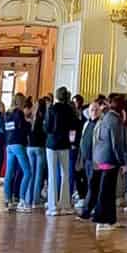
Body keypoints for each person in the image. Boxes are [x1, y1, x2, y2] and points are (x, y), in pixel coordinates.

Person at [91, 93, 127, 234]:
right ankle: (101, 220)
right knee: (106, 190)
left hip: (102, 157)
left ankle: (111, 219)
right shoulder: (114, 119)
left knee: (109, 190)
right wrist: (123, 161)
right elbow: (116, 143)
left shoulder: (108, 117)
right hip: (109, 159)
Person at [45, 86, 79, 216]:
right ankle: (65, 204)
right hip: (65, 144)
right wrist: (71, 142)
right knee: (65, 174)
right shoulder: (70, 110)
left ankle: (53, 206)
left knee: (53, 174)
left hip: (52, 144)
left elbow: (47, 128)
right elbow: (73, 129)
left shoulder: (52, 109)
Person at [2, 93, 32, 212]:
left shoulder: (7, 113)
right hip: (18, 143)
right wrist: (29, 122)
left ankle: (8, 199)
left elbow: (8, 128)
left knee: (9, 173)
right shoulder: (19, 113)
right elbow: (22, 127)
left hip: (9, 144)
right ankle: (22, 200)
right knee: (28, 172)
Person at [77, 100, 102, 219]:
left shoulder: (101, 124)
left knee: (93, 185)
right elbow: (83, 140)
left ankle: (86, 211)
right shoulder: (87, 123)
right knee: (89, 184)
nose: (94, 112)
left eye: (97, 109)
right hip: (87, 159)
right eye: (92, 110)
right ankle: (93, 209)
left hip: (95, 160)